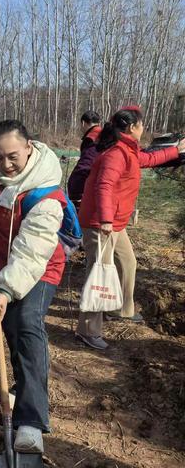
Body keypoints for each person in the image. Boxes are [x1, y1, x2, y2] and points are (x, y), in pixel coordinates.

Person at [0, 120, 67, 454]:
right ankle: (20, 389)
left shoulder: (44, 193)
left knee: (25, 325)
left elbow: (32, 250)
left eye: (12, 157)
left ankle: (32, 421)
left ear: (30, 147)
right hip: (7, 267)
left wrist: (7, 290)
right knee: (7, 324)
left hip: (39, 267)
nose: (5, 164)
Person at [76, 106, 185, 350]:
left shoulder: (129, 150)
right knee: (99, 274)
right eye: (142, 124)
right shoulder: (116, 154)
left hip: (115, 222)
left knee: (127, 262)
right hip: (100, 223)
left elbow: (148, 159)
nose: (143, 128)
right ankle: (87, 330)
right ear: (132, 127)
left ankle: (119, 309)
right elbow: (103, 186)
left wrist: (175, 151)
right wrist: (105, 219)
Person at [67, 111, 102, 208]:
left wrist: (74, 189)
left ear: (83, 123)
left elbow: (86, 165)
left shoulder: (92, 139)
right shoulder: (105, 135)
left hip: (87, 185)